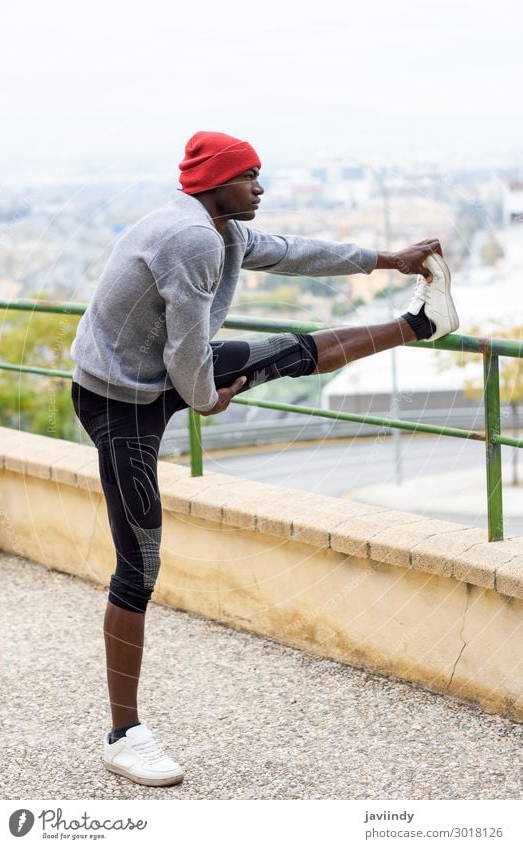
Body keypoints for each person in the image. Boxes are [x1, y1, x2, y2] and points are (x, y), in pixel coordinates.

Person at [70, 131, 458, 787]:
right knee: (140, 560)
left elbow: (293, 252)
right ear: (215, 183)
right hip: (117, 399)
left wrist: (388, 258)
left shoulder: (220, 227)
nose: (261, 187)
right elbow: (185, 354)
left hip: (160, 372)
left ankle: (421, 324)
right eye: (249, 176)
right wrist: (206, 401)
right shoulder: (188, 237)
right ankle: (124, 734)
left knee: (289, 348)